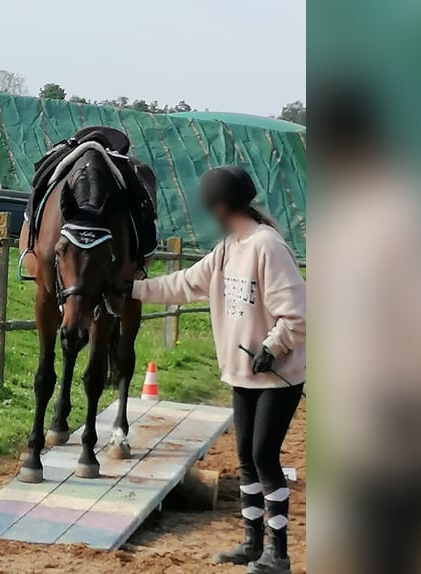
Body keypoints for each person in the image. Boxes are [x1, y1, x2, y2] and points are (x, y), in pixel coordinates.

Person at [129, 166, 305, 574]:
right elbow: (185, 284)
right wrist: (131, 288)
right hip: (242, 373)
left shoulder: (267, 247)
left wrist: (272, 346)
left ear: (222, 207)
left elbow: (297, 316)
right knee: (245, 457)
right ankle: (251, 543)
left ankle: (278, 553)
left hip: (277, 376)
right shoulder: (228, 248)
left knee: (264, 455)